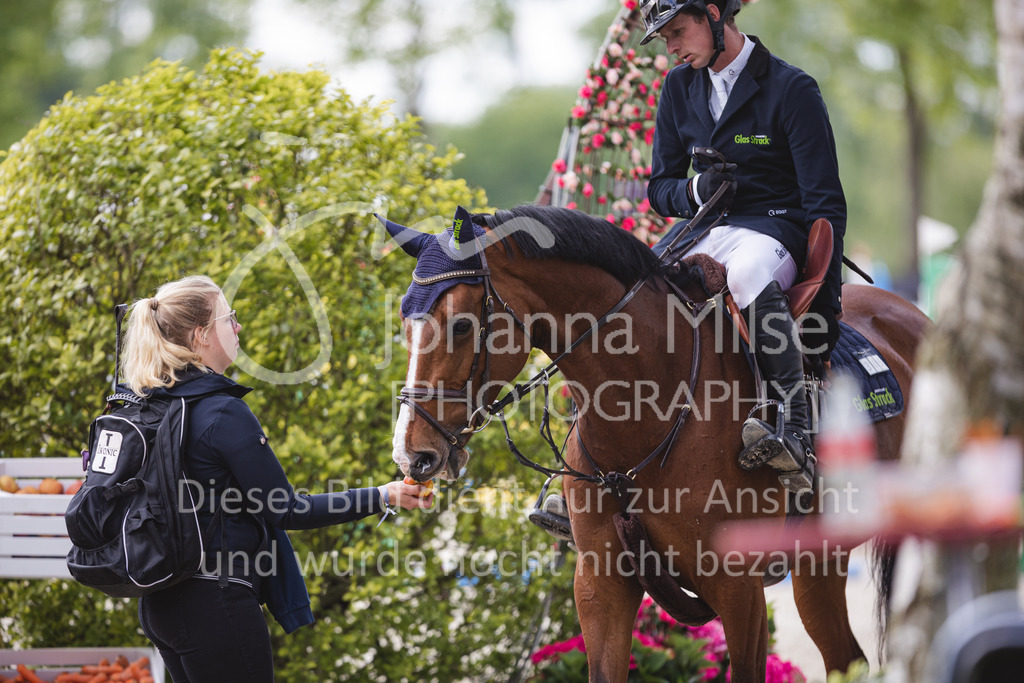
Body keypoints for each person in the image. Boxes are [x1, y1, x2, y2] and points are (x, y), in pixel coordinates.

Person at [531, 0, 846, 540]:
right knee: (630, 295)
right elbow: (660, 188)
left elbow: (825, 202)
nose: (672, 47)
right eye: (665, 38)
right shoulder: (678, 87)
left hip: (776, 230)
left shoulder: (791, 88)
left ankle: (793, 426)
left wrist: (828, 299)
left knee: (747, 274)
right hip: (706, 227)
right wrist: (697, 189)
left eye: (678, 31)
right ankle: (583, 469)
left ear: (715, 15)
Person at [121, 275, 431, 683]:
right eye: (228, 318)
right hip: (215, 605)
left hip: (159, 601)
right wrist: (382, 495)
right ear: (201, 336)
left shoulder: (150, 404)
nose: (238, 326)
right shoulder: (220, 412)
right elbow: (287, 510)